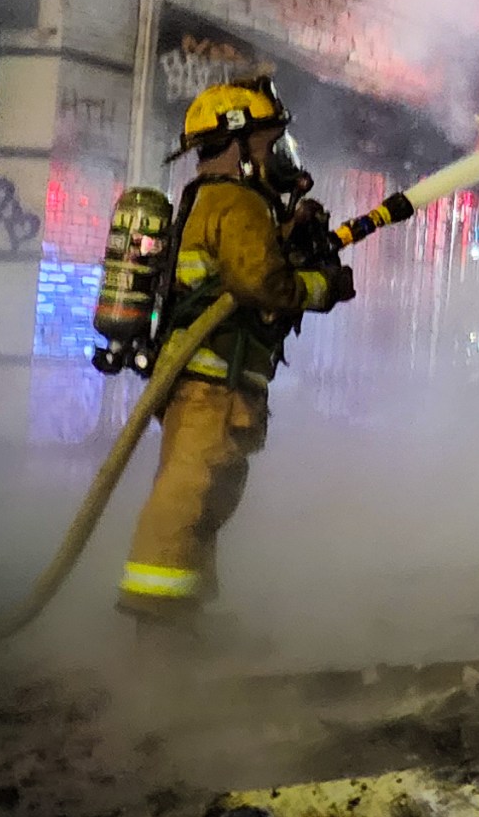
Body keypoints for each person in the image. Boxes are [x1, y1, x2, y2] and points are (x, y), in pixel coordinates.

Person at [118, 80, 352, 631]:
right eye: (271, 146)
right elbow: (262, 285)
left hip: (205, 381)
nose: (282, 159)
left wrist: (291, 232)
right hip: (210, 384)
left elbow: (243, 268)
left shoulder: (219, 200)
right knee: (189, 495)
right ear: (237, 147)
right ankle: (155, 625)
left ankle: (181, 615)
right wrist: (325, 285)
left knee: (208, 499)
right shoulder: (237, 200)